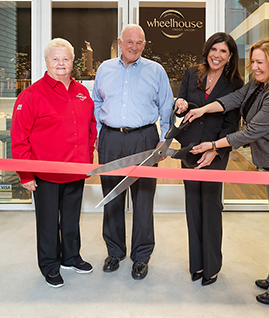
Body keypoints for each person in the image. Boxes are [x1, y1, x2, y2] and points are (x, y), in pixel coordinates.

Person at [183, 38, 269, 304]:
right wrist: (202, 110)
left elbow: (250, 132)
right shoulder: (258, 84)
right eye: (252, 61)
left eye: (259, 62)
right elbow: (232, 99)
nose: (253, 67)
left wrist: (214, 145)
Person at [11, 38, 97, 288]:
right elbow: (19, 138)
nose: (61, 63)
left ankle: (71, 257)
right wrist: (25, 174)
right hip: (45, 173)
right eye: (55, 59)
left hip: (76, 170)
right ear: (47, 62)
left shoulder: (81, 92)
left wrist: (87, 161)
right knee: (48, 222)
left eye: (66, 58)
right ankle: (49, 264)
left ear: (72, 62)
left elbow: (90, 127)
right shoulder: (31, 95)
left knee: (71, 219)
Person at [92, 24, 173, 280]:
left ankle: (141, 256)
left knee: (143, 198)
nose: (134, 47)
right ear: (120, 42)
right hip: (111, 138)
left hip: (144, 138)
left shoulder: (156, 70)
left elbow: (167, 106)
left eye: (139, 43)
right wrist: (98, 134)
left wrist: (164, 140)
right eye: (130, 42)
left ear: (144, 45)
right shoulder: (104, 68)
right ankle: (115, 251)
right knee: (112, 197)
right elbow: (96, 102)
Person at [174, 33, 243, 286]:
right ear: (207, 51)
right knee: (192, 205)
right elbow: (180, 107)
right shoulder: (192, 73)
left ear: (230, 56)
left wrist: (215, 150)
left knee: (211, 206)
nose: (217, 55)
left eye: (223, 51)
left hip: (215, 149)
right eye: (214, 49)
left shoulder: (236, 83)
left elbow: (232, 122)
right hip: (190, 148)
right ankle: (197, 264)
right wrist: (179, 104)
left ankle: (212, 266)